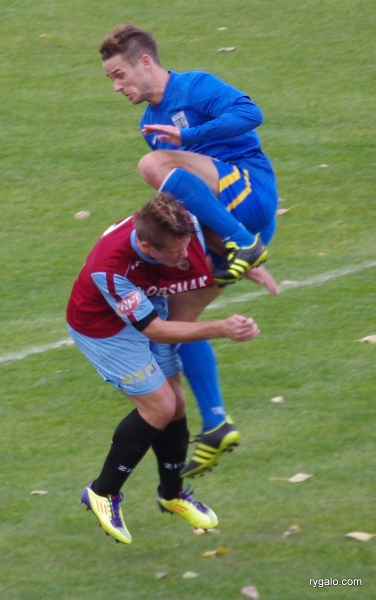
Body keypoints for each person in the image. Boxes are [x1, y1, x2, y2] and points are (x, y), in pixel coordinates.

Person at [98, 23, 279, 470]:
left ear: (145, 62)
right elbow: (188, 201)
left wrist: (190, 137)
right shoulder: (149, 124)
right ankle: (216, 423)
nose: (117, 86)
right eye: (111, 79)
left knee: (152, 164)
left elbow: (251, 113)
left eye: (119, 74)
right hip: (225, 227)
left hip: (251, 190)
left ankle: (245, 244)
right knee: (180, 322)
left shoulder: (194, 86)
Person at [66, 192, 260, 544]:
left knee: (177, 404)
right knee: (160, 406)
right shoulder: (110, 268)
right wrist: (222, 328)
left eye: (186, 247)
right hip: (104, 329)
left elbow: (209, 233)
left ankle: (171, 495)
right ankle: (102, 492)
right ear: (146, 246)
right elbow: (155, 330)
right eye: (175, 253)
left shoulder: (172, 222)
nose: (185, 257)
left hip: (147, 302)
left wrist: (251, 265)